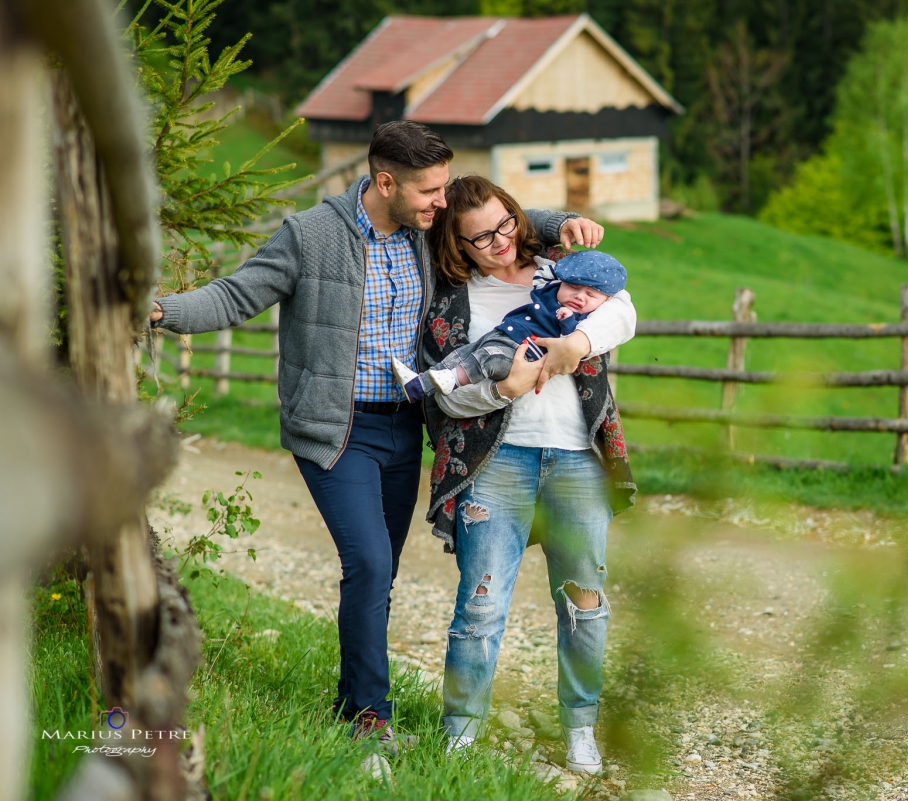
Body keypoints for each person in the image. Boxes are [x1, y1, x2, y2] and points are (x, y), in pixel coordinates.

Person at [147, 121, 604, 758]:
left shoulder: (431, 226)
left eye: (444, 189)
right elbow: (235, 295)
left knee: (377, 577)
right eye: (429, 190)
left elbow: (503, 224)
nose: (441, 201)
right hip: (337, 429)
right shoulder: (310, 236)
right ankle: (370, 718)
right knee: (369, 563)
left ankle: (352, 698)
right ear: (384, 182)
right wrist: (159, 311)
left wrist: (566, 224)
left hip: (407, 426)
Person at [419, 175, 636, 775]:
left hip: (577, 458)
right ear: (458, 246)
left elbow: (625, 309)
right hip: (496, 462)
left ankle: (581, 729)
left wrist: (579, 343)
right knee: (481, 605)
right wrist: (503, 389)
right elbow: (443, 396)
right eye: (480, 237)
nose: (499, 242)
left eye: (505, 225)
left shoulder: (562, 267)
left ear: (517, 215)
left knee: (584, 603)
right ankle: (459, 734)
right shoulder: (449, 300)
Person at [391, 249, 627, 402]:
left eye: (591, 295)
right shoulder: (550, 291)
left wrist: (567, 319)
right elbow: (545, 272)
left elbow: (567, 343)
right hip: (505, 333)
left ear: (604, 301)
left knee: (486, 359)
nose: (580, 297)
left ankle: (452, 379)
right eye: (574, 287)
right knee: (463, 353)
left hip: (521, 353)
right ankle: (417, 386)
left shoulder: (587, 320)